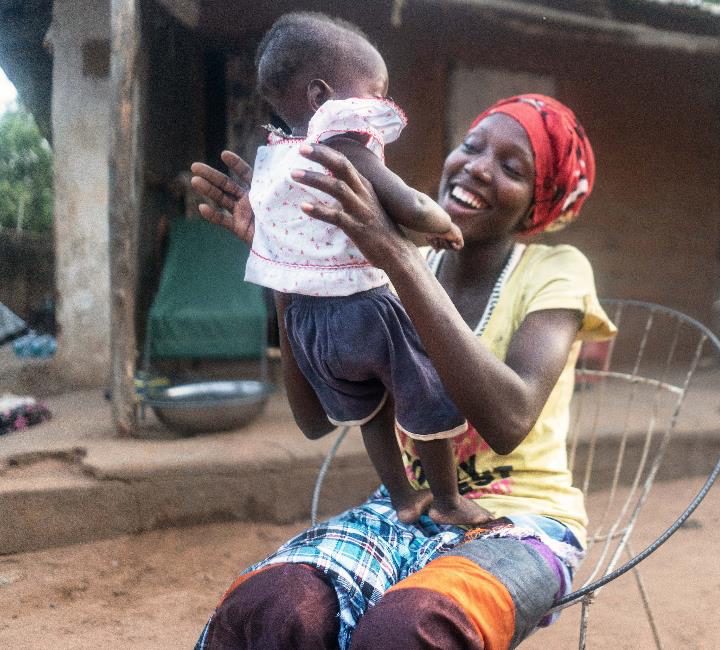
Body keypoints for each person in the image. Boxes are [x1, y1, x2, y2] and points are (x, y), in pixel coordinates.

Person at [190, 92, 615, 650]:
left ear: (539, 202)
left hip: (523, 522)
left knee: (407, 630)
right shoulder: (376, 259)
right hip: (403, 509)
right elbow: (315, 419)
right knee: (272, 610)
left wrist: (398, 256)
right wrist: (289, 264)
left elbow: (510, 420)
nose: (479, 168)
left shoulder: (555, 269)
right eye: (471, 146)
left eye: (512, 168)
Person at [240, 12, 483, 527]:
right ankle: (446, 499)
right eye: (375, 91)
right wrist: (441, 224)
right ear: (321, 96)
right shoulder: (341, 138)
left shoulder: (277, 162)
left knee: (373, 411)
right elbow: (408, 205)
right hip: (364, 313)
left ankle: (400, 494)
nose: (380, 104)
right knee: (425, 392)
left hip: (308, 327)